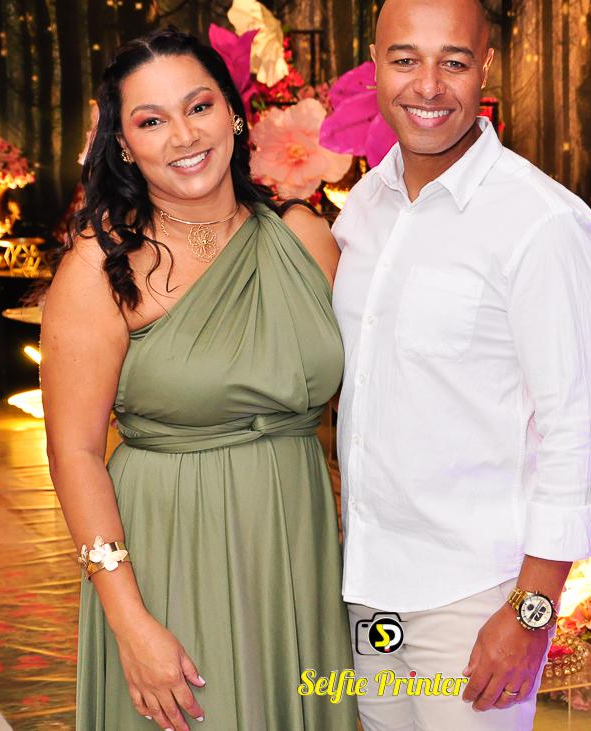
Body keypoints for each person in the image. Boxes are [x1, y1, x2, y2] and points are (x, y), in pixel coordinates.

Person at [41, 28, 357, 731]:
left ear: (235, 115)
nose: (184, 136)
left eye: (199, 107)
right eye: (151, 120)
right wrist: (129, 621)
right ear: (124, 145)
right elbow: (73, 452)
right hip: (172, 546)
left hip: (297, 540)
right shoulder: (101, 266)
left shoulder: (305, 238)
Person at [331, 0, 591, 729]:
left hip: (476, 594)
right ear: (375, 64)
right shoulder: (362, 207)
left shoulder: (543, 223)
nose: (428, 86)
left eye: (452, 62)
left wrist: (531, 611)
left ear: (486, 67)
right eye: (405, 60)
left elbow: (577, 430)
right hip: (371, 590)